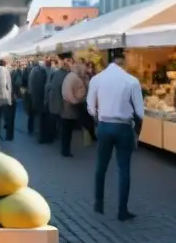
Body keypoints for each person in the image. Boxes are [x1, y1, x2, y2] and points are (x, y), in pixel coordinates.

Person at [87, 48, 143, 222]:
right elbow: (140, 112)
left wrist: (98, 116)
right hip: (124, 127)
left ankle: (98, 202)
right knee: (124, 169)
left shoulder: (97, 79)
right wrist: (136, 131)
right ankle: (122, 210)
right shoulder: (131, 81)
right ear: (123, 60)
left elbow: (90, 107)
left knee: (101, 166)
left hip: (104, 125)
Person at [59, 59, 88, 157]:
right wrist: (77, 101)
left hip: (66, 105)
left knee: (65, 130)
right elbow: (79, 94)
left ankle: (64, 149)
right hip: (71, 106)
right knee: (67, 131)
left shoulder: (69, 76)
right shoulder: (76, 78)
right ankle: (65, 150)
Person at [45, 55, 70, 145]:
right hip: (58, 102)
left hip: (53, 100)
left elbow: (49, 86)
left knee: (53, 120)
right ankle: (54, 136)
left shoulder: (55, 73)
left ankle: (52, 136)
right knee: (57, 121)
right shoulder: (62, 74)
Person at [26, 59, 45, 135]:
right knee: (39, 114)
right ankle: (38, 131)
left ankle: (30, 129)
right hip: (38, 95)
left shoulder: (31, 71)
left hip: (31, 95)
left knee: (31, 114)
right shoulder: (41, 71)